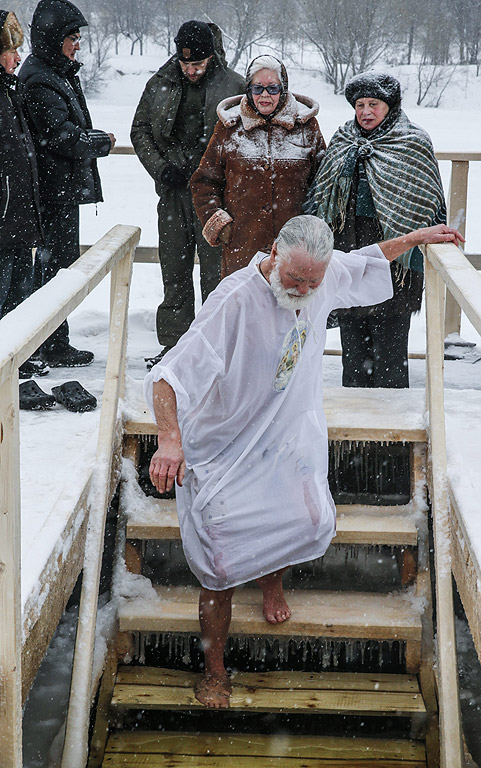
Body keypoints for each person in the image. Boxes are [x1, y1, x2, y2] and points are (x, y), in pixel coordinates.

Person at [144, 214, 463, 709]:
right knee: (219, 560)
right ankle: (214, 669)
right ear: (273, 252)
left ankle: (271, 580)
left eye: (312, 283)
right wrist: (169, 440)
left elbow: (366, 262)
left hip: (287, 436)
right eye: (293, 279)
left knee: (303, 517)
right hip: (225, 445)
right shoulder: (233, 301)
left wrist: (416, 240)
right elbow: (167, 377)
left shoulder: (323, 275)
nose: (301, 290)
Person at [305, 72, 446, 388]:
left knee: (390, 353)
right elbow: (321, 196)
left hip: (396, 263)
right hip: (348, 255)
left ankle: (391, 432)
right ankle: (353, 431)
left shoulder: (412, 141)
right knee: (353, 349)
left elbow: (428, 201)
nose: (365, 112)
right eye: (360, 104)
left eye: (374, 104)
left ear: (390, 106)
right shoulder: (343, 140)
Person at [131, 20, 245, 368]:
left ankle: (214, 346)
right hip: (173, 194)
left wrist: (216, 175)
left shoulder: (235, 86)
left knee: (217, 274)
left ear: (211, 57)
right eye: (186, 64)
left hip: (215, 199)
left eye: (198, 64)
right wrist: (162, 169)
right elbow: (140, 130)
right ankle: (174, 347)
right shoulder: (160, 83)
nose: (192, 71)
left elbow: (244, 139)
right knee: (174, 270)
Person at [18, 0, 116, 368]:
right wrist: (101, 142)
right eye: (72, 37)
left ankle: (51, 341)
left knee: (56, 268)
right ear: (52, 38)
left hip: (55, 192)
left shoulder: (54, 71)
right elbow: (61, 137)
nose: (77, 44)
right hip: (50, 194)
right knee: (54, 271)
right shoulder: (41, 78)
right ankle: (50, 344)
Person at [191, 55, 325, 278]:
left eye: (272, 88)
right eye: (258, 88)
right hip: (243, 247)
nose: (265, 95)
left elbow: (324, 185)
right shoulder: (229, 128)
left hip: (295, 248)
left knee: (290, 306)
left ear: (283, 89)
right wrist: (220, 225)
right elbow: (204, 182)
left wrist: (312, 229)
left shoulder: (306, 127)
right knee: (244, 308)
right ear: (248, 89)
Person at [0, 9, 47, 379]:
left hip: (16, 222)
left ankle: (15, 371)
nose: (18, 58)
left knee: (18, 306)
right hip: (4, 223)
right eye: (11, 50)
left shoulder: (8, 91)